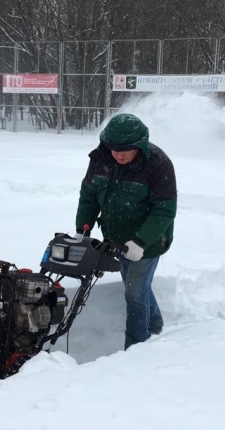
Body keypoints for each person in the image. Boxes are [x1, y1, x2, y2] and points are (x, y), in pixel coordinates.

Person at [74, 113, 177, 349]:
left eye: (126, 149)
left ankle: (134, 348)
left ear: (139, 145)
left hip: (149, 241)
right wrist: (83, 227)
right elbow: (89, 195)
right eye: (114, 148)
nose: (119, 154)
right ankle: (154, 324)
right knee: (135, 286)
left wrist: (141, 241)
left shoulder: (158, 164)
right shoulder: (101, 159)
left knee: (134, 292)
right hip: (116, 237)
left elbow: (164, 210)